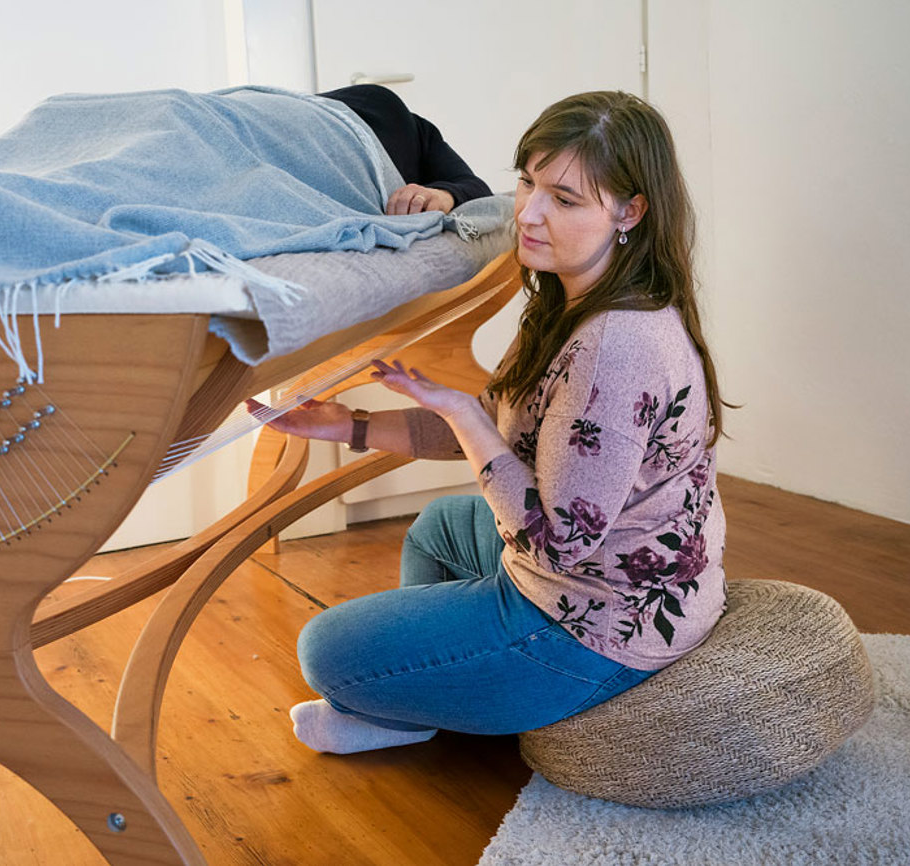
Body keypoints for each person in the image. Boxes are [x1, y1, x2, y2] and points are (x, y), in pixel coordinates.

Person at [251, 90, 730, 754]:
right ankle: (428, 696)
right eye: (528, 182)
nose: (528, 212)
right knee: (440, 527)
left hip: (598, 631)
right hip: (597, 581)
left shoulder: (615, 348)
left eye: (564, 199)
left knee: (325, 651)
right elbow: (502, 427)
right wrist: (348, 426)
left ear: (630, 211)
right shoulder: (575, 301)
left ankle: (423, 699)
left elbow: (557, 545)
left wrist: (459, 413)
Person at [319, 84, 493, 216]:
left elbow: (476, 189)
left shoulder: (419, 138)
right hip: (366, 109)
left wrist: (442, 196)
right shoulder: (403, 125)